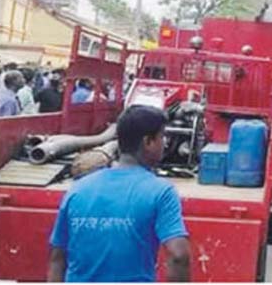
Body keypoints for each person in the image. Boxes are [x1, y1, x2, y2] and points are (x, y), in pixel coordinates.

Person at [47, 105, 190, 282]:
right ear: (148, 142)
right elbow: (179, 256)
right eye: (162, 137)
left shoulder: (78, 188)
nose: (165, 143)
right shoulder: (161, 191)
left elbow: (57, 258)